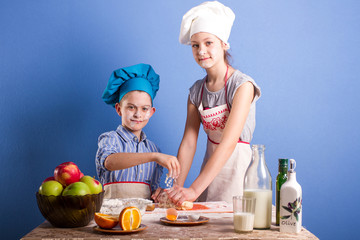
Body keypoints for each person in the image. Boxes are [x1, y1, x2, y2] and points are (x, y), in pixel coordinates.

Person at [166, 1, 261, 204]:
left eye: (208, 43)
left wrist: (193, 189)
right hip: (208, 174)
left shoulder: (243, 86)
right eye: (195, 45)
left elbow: (228, 143)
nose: (201, 51)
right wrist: (176, 189)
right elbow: (189, 143)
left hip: (239, 173)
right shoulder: (196, 91)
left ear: (224, 44)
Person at [96, 63, 180, 200]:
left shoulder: (154, 148)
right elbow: (109, 162)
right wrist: (153, 156)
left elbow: (152, 191)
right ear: (118, 109)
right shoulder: (110, 139)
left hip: (144, 217)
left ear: (151, 112)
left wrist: (160, 194)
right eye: (131, 107)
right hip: (113, 216)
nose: (138, 114)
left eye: (144, 109)